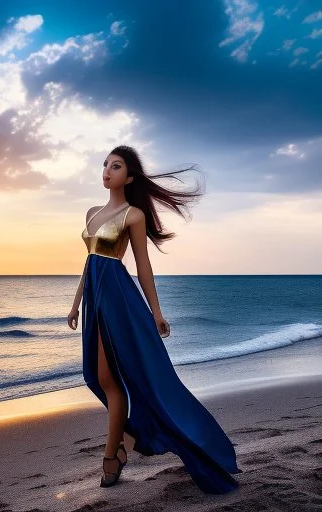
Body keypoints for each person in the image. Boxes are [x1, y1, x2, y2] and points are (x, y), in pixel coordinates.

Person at [66, 145, 242, 493]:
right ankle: (122, 442)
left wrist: (157, 312)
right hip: (95, 299)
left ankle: (113, 455)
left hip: (117, 298)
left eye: (115, 167)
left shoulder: (133, 215)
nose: (107, 171)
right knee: (100, 378)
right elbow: (90, 262)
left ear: (129, 177)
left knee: (110, 379)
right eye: (105, 165)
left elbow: (143, 266)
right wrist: (75, 305)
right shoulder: (91, 213)